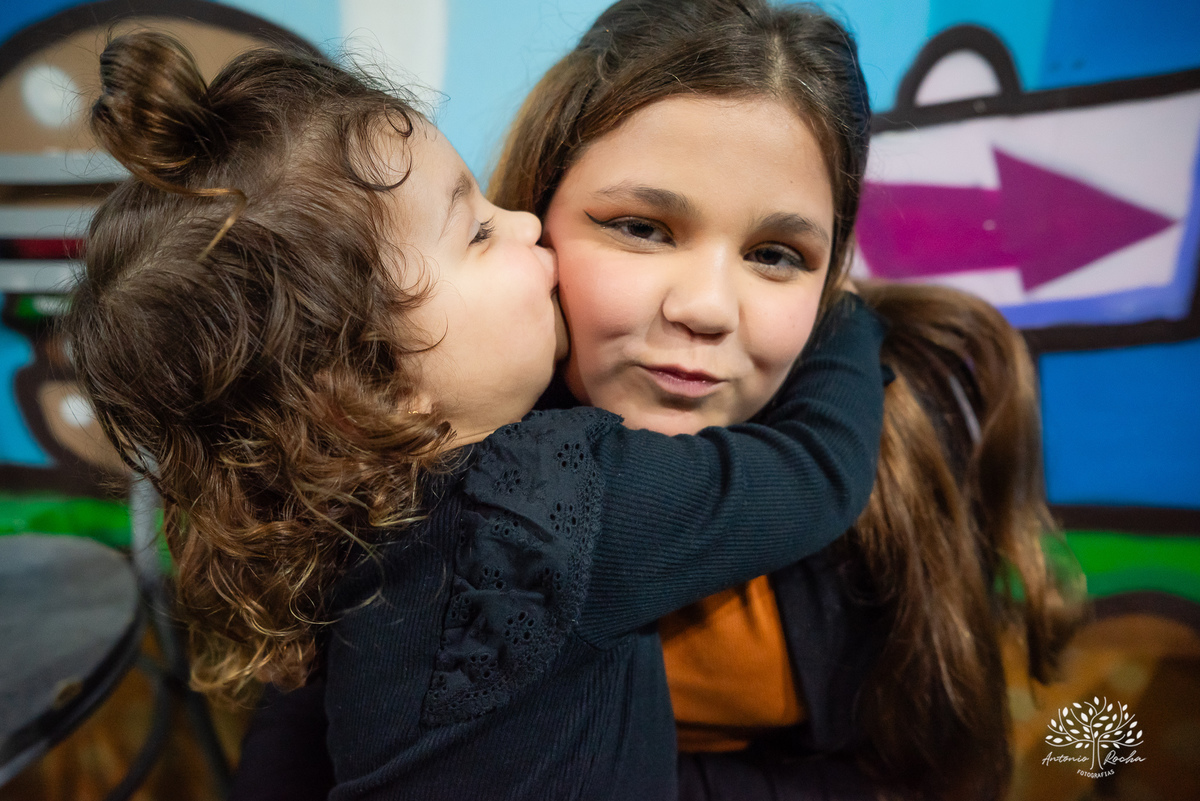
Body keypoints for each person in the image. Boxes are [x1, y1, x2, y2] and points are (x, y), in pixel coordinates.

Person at [232, 1, 1082, 799]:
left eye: (779, 254)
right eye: (640, 228)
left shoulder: (903, 444)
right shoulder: (420, 466)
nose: (705, 307)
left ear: (833, 277)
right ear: (538, 210)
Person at [65, 30, 887, 801]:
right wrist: (846, 314)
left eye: (780, 255)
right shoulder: (551, 500)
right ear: (371, 382)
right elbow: (817, 469)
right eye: (480, 231)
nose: (529, 226)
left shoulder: (356, 506)